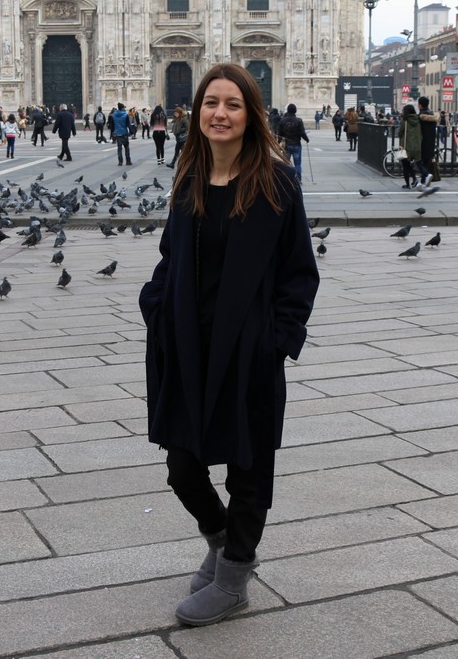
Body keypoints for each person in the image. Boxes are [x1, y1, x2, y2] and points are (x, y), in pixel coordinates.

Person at [138, 62, 319, 628]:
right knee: (182, 466)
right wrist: (155, 302)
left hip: (246, 350)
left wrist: (276, 340)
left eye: (233, 104)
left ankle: (236, 575)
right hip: (186, 346)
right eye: (210, 103)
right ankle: (219, 543)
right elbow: (171, 257)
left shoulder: (275, 182)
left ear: (251, 116)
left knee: (248, 467)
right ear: (196, 114)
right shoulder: (189, 178)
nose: (220, 113)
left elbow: (299, 274)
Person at [277, 103, 310, 178]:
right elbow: (302, 133)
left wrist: (278, 142)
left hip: (286, 145)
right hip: (296, 144)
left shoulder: (282, 121)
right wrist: (307, 139)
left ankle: (286, 178)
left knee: (285, 163)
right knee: (297, 163)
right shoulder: (299, 120)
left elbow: (280, 133)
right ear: (295, 111)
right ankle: (298, 179)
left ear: (288, 110)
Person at [398, 103, 422, 189]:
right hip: (417, 146)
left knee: (405, 165)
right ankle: (414, 179)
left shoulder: (405, 121)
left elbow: (399, 133)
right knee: (411, 164)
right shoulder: (418, 120)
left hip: (406, 146)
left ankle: (410, 182)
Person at [417, 96, 439, 185]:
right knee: (426, 162)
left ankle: (426, 175)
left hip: (422, 142)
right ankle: (423, 182)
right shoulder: (433, 116)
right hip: (431, 142)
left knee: (417, 161)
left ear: (420, 105)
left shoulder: (420, 116)